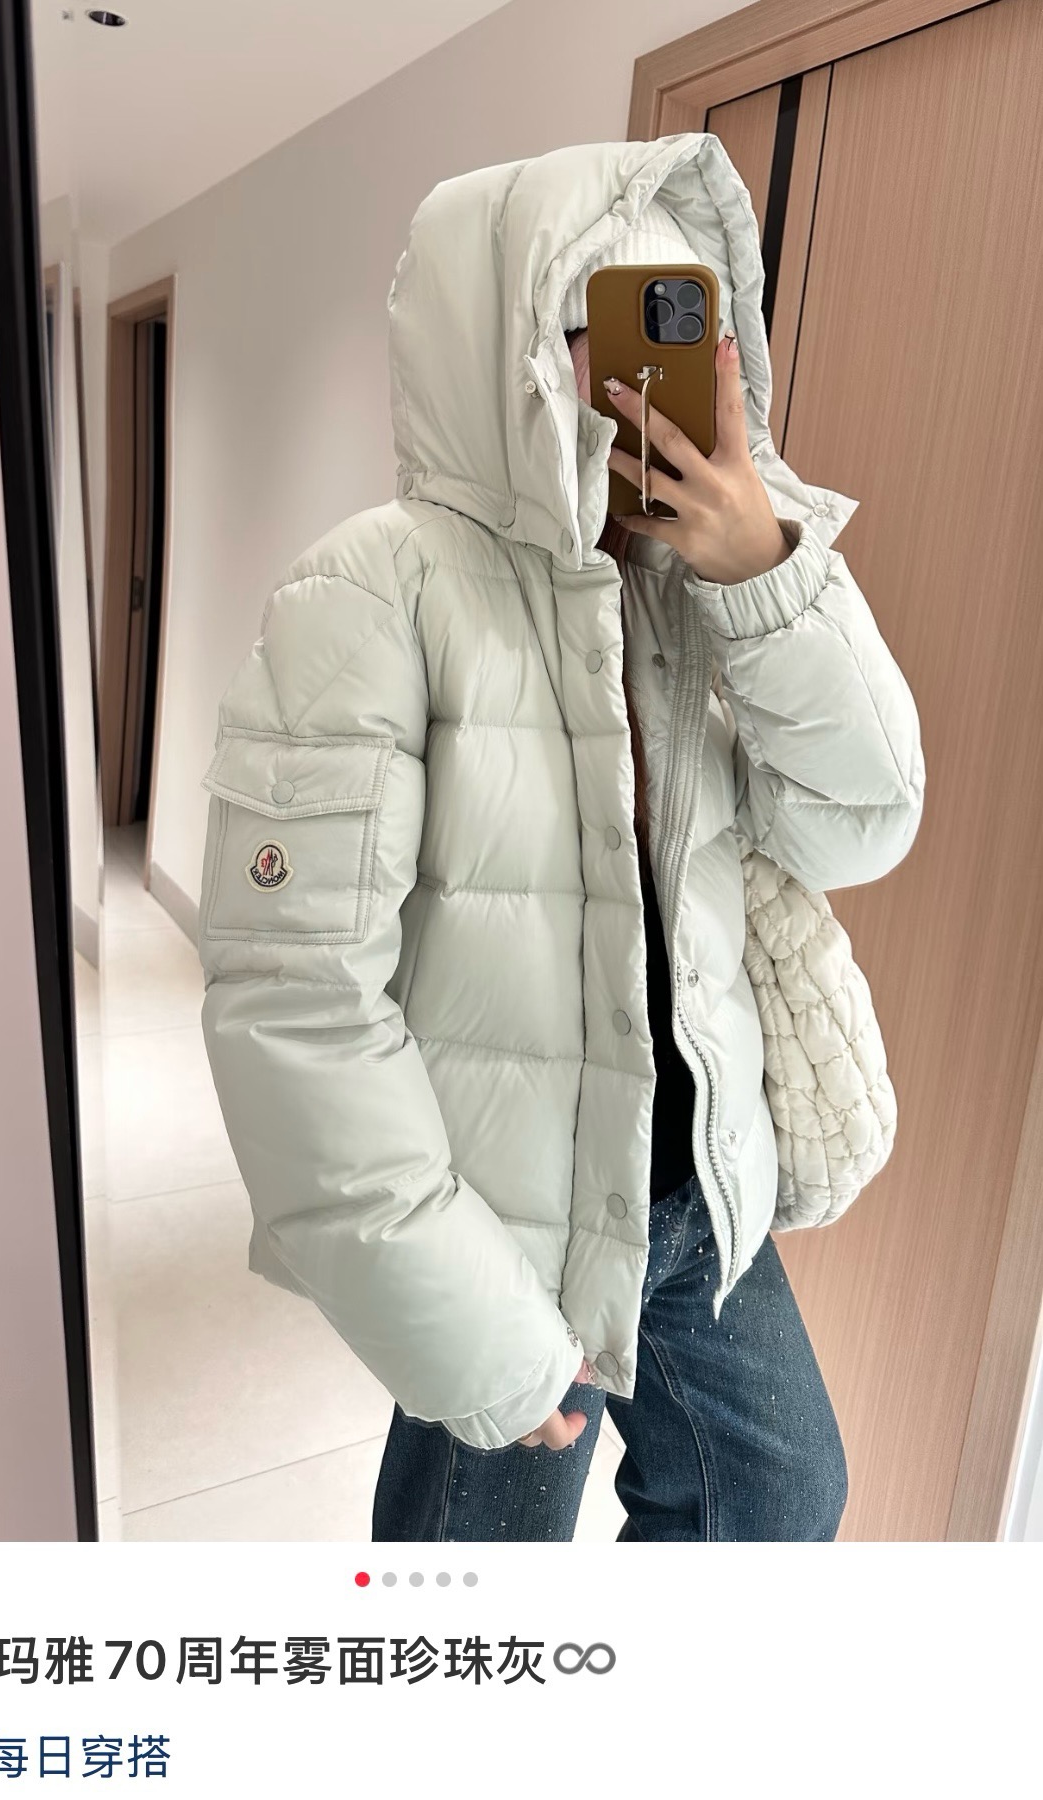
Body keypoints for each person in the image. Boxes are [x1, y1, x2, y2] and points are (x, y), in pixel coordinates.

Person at [197, 136, 924, 1541]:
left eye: (691, 333)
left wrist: (765, 575)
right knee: (468, 1586)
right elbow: (297, 1005)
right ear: (514, 347)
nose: (661, 383)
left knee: (777, 1500)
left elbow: (864, 821)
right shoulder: (375, 591)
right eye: (618, 334)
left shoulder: (698, 589)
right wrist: (475, 1332)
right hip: (505, 1222)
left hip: (699, 1187)